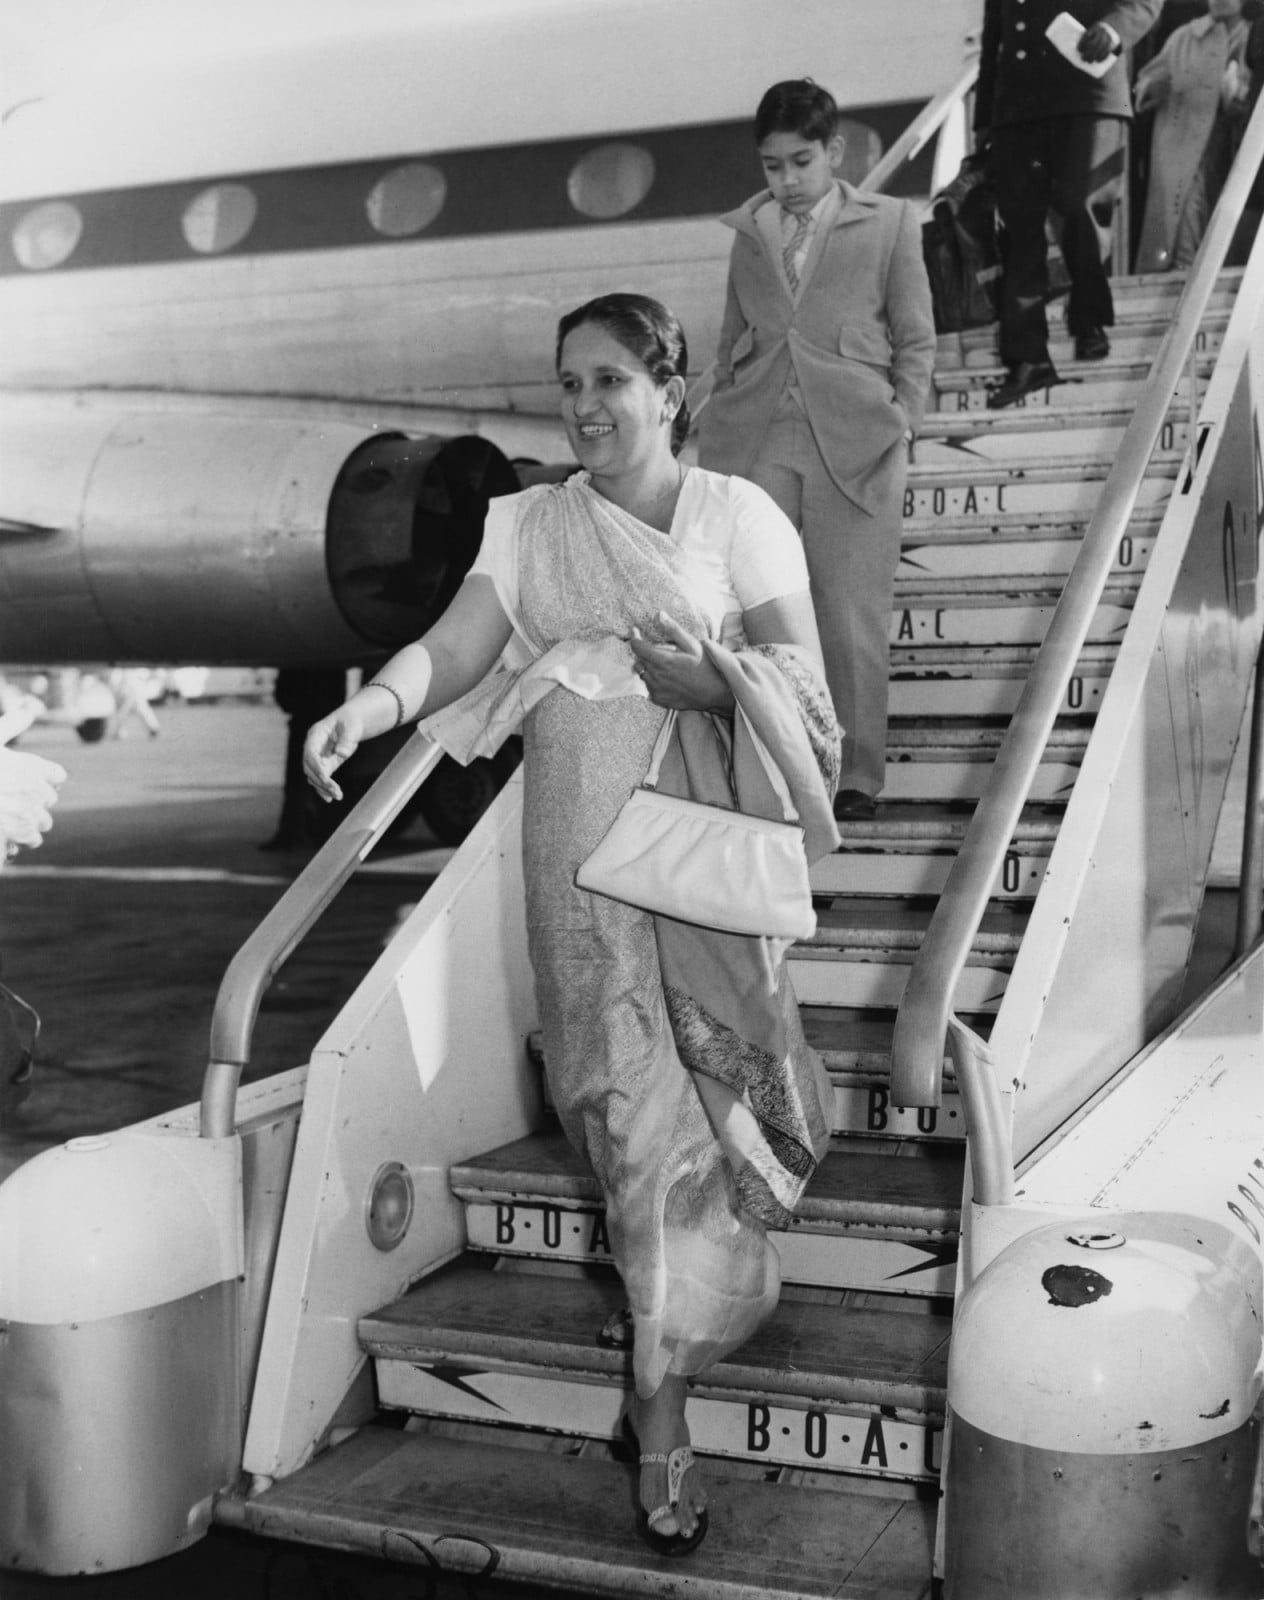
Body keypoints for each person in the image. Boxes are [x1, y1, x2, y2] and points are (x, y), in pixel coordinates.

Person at [304, 293, 840, 1557]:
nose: (588, 408)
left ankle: (657, 1413)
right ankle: (666, 1355)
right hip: (574, 873)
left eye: (610, 381)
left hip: (698, 872)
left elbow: (812, 692)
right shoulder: (531, 523)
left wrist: (714, 682)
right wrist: (365, 712)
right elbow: (455, 645)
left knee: (696, 1118)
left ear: (669, 388)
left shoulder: (735, 516)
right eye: (568, 386)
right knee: (616, 1114)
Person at [696, 79, 935, 823]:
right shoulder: (749, 232)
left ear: (835, 151)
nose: (787, 181)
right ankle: (778, 763)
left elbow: (917, 336)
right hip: (757, 435)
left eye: (801, 162)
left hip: (857, 439)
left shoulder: (891, 222)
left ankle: (856, 775)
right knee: (755, 606)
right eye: (772, 166)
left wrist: (903, 419)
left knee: (848, 609)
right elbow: (734, 340)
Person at [975, 0, 1162, 407]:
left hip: (1088, 90)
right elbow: (996, 35)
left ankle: (1089, 316)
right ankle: (1027, 358)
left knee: (1081, 205)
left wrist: (1114, 30)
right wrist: (985, 120)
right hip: (1019, 105)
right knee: (1019, 231)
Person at [1133, 0, 1252, 273]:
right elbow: (1145, 82)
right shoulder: (1185, 37)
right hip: (1184, 146)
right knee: (1187, 213)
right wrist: (1152, 88)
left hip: (1230, 146)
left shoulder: (1252, 35)